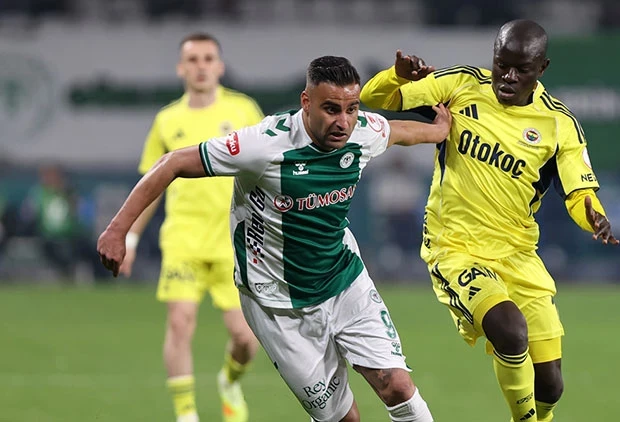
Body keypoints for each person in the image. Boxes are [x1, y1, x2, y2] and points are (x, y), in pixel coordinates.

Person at [98, 55, 450, 422]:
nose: (344, 122)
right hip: (277, 303)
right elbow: (171, 163)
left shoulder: (362, 131)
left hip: (344, 283)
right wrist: (118, 230)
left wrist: (439, 129)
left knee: (397, 386)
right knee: (345, 419)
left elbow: (402, 132)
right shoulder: (263, 145)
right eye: (331, 109)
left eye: (351, 109)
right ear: (306, 102)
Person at [361, 19, 619, 422]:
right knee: (510, 330)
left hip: (518, 255)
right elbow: (375, 97)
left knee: (550, 385)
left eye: (522, 69)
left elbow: (579, 193)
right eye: (502, 65)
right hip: (455, 248)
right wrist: (396, 76)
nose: (508, 76)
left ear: (542, 68)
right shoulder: (460, 85)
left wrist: (594, 217)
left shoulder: (559, 125)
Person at [119, 32, 264, 422]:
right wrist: (130, 237)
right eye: (193, 60)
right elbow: (149, 186)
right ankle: (186, 415)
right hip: (183, 240)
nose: (201, 66)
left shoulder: (244, 110)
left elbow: (269, 167)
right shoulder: (167, 120)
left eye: (208, 58)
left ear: (220, 66)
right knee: (180, 323)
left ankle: (229, 381)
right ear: (181, 68)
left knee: (245, 338)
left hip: (235, 242)